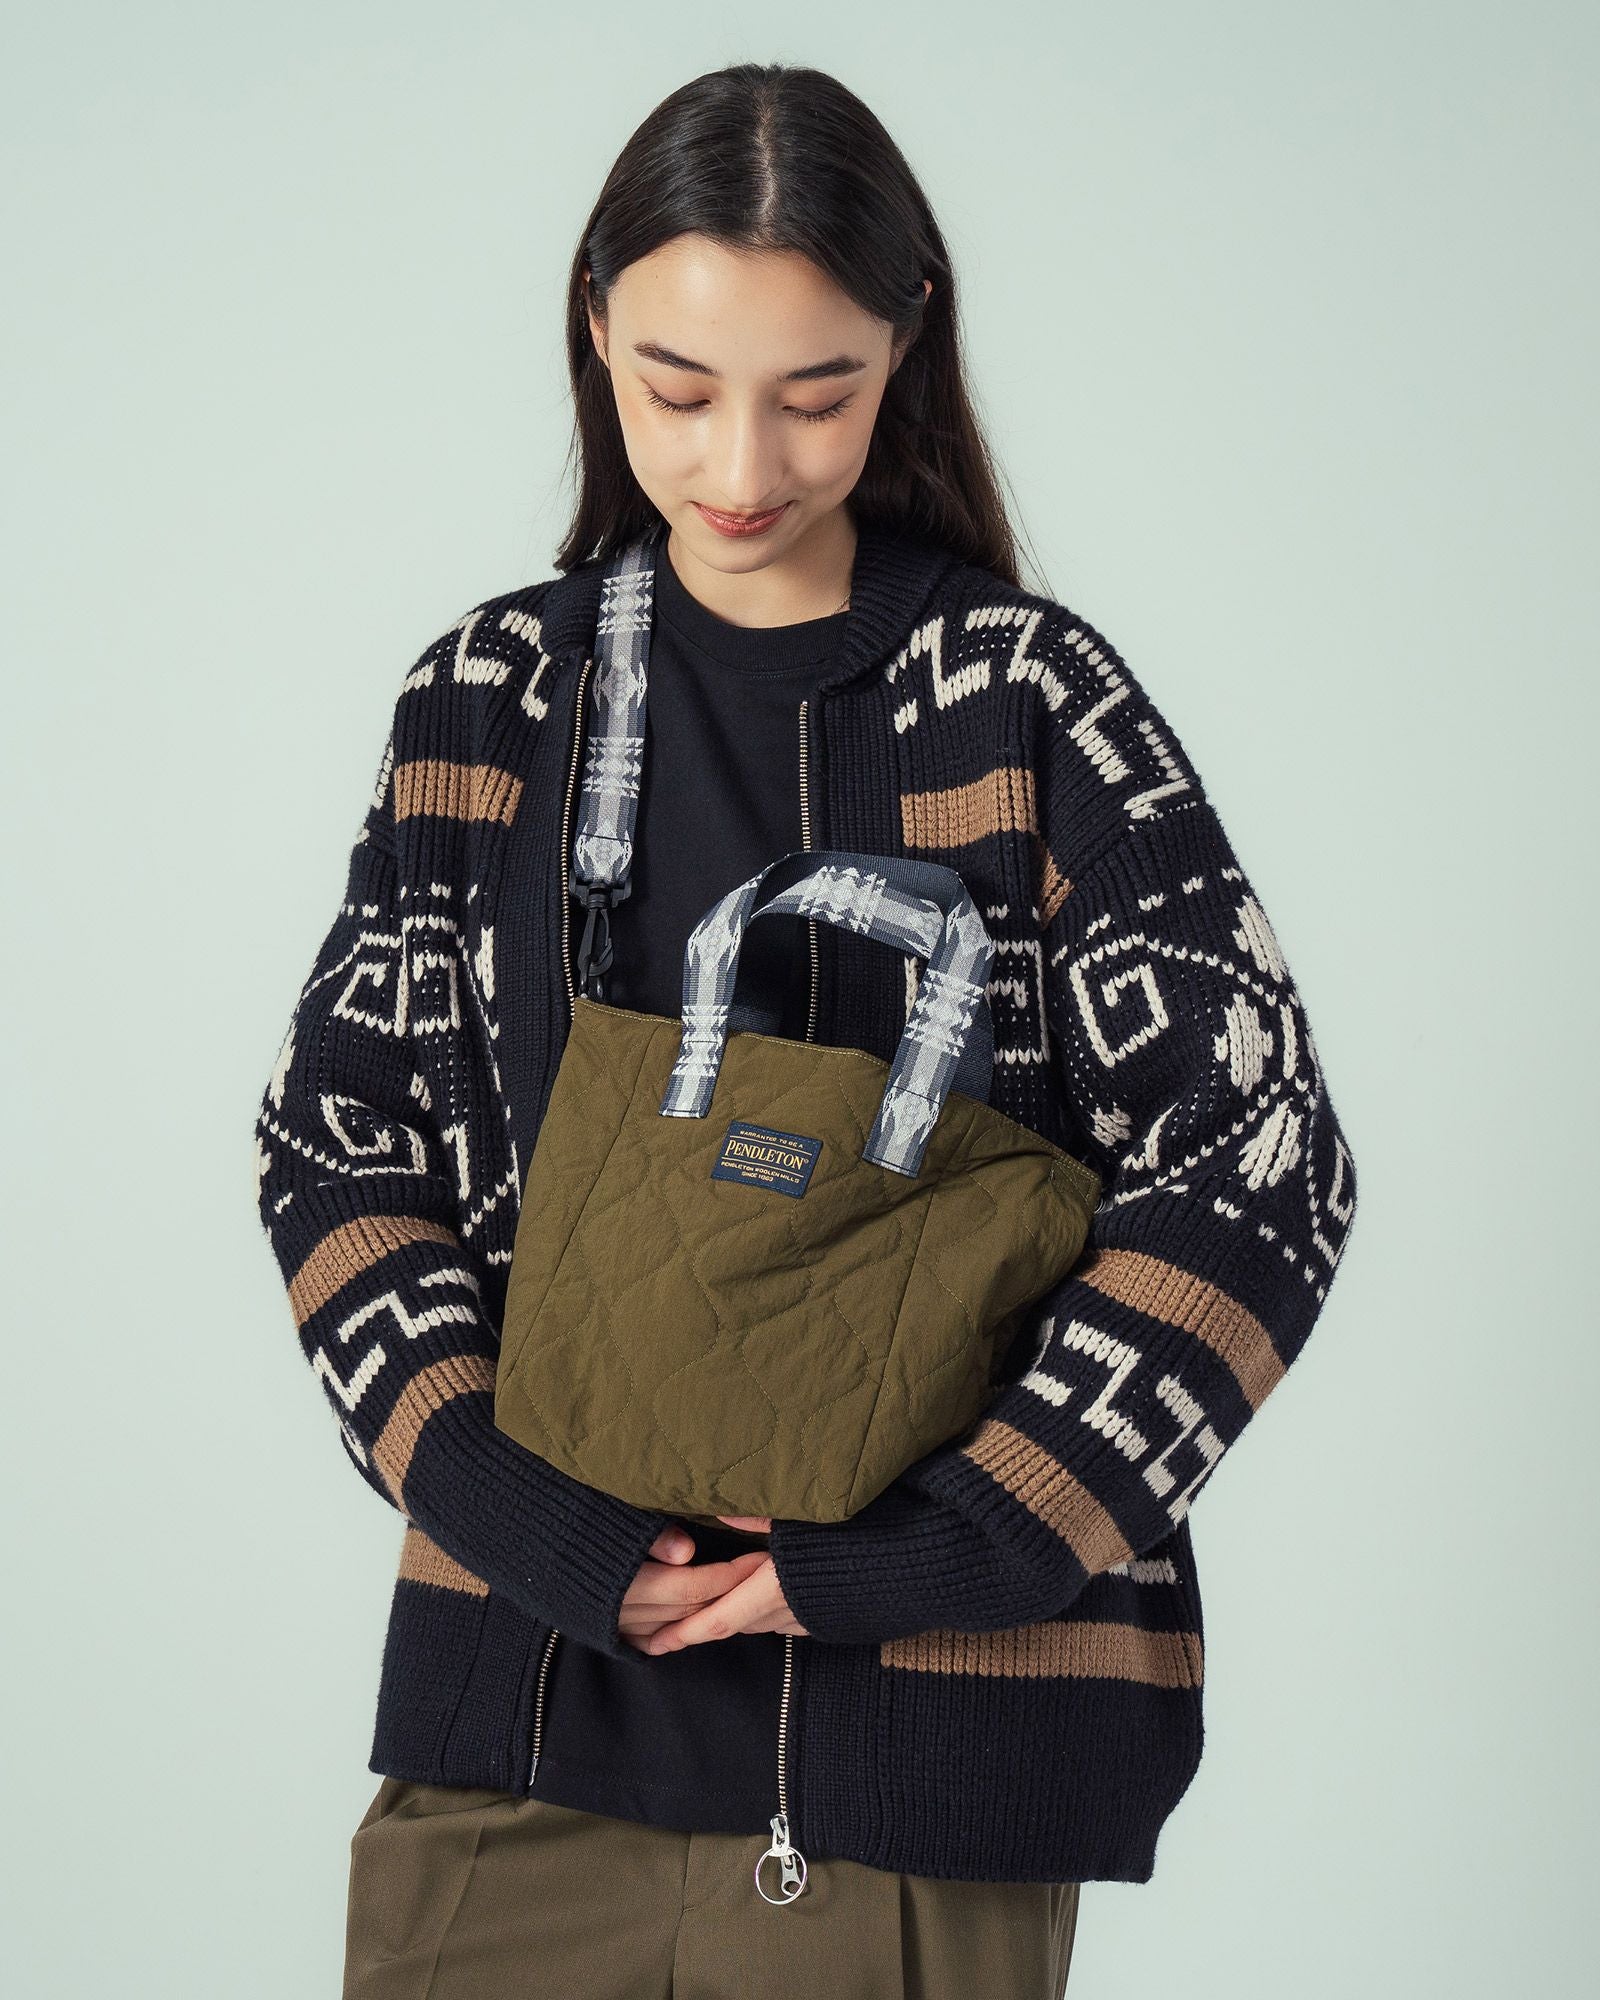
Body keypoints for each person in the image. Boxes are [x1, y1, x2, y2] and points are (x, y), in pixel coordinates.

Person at [251, 61, 1359, 2000]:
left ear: (907, 343)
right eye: (678, 389)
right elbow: (335, 1142)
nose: (741, 461)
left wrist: (934, 1546)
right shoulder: (488, 705)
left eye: (817, 392)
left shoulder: (1026, 703)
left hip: (913, 1776)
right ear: (595, 327)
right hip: (513, 1736)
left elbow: (1260, 1172)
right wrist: (513, 1509)